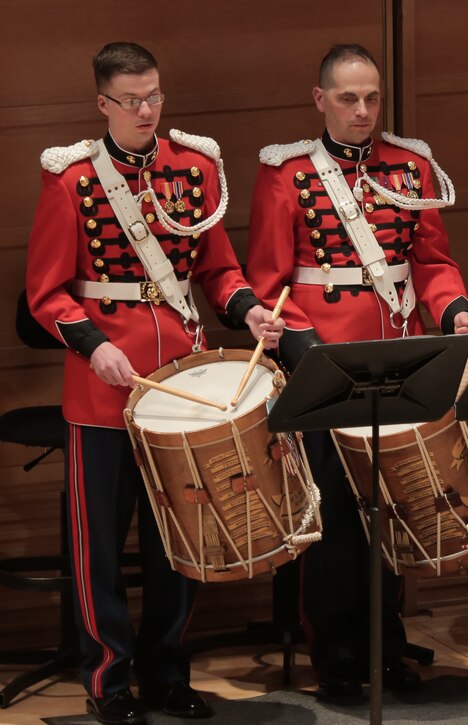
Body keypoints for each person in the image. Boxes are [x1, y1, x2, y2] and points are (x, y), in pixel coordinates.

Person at [25, 42, 284, 725]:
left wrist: (248, 307)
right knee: (100, 548)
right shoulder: (73, 179)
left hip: (184, 385)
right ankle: (109, 680)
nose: (147, 111)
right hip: (104, 388)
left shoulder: (193, 168)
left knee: (183, 538)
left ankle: (167, 670)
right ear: (102, 104)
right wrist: (92, 344)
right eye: (132, 100)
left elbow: (218, 270)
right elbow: (46, 294)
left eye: (155, 97)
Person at [246, 43, 468, 697]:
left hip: (401, 360)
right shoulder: (288, 174)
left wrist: (455, 313)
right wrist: (306, 356)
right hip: (324, 365)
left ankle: (385, 638)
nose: (363, 110)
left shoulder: (410, 167)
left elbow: (432, 263)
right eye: (349, 98)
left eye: (372, 98)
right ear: (320, 99)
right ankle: (336, 648)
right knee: (337, 516)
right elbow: (270, 286)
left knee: (395, 505)